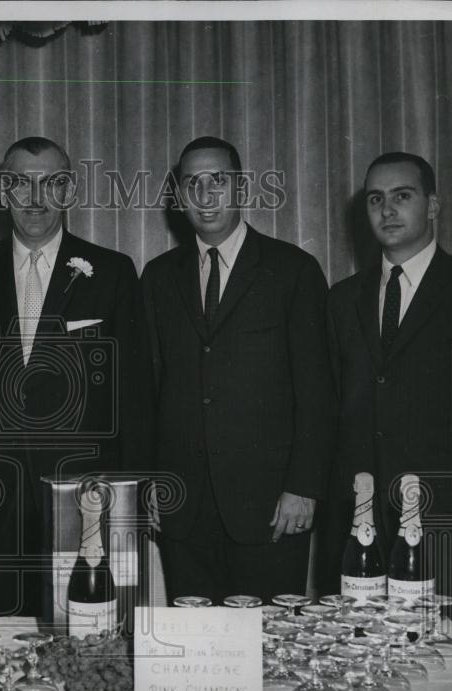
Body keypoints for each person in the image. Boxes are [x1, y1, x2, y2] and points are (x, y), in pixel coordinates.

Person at [0, 136, 152, 618]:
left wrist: (130, 493)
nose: (35, 199)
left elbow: (133, 393)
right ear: (2, 193)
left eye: (50, 184)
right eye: (20, 184)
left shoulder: (112, 272)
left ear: (69, 192)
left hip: (85, 493)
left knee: (83, 624)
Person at [320, 152, 452, 673]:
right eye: (375, 200)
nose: (387, 210)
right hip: (361, 533)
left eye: (401, 196)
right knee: (363, 674)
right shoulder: (340, 302)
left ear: (433, 205)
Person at [142, 136, 334, 605]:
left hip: (271, 506)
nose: (206, 195)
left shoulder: (293, 270)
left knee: (269, 655)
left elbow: (318, 391)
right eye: (193, 183)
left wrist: (303, 488)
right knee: (198, 659)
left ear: (242, 188)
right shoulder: (158, 276)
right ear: (179, 196)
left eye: (218, 181)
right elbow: (148, 389)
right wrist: (149, 481)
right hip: (183, 508)